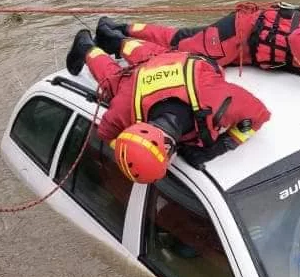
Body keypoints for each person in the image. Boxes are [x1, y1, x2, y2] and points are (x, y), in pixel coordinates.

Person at [65, 30, 271, 183]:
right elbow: (107, 134)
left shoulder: (215, 100)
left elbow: (259, 115)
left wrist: (219, 147)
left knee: (114, 78)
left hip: (179, 63)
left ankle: (103, 42)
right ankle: (97, 45)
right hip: (148, 71)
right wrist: (131, 148)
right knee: (129, 67)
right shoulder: (124, 108)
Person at [94, 1, 300, 97]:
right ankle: (115, 39)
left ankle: (120, 29)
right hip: (238, 38)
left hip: (246, 43)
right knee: (180, 51)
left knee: (179, 38)